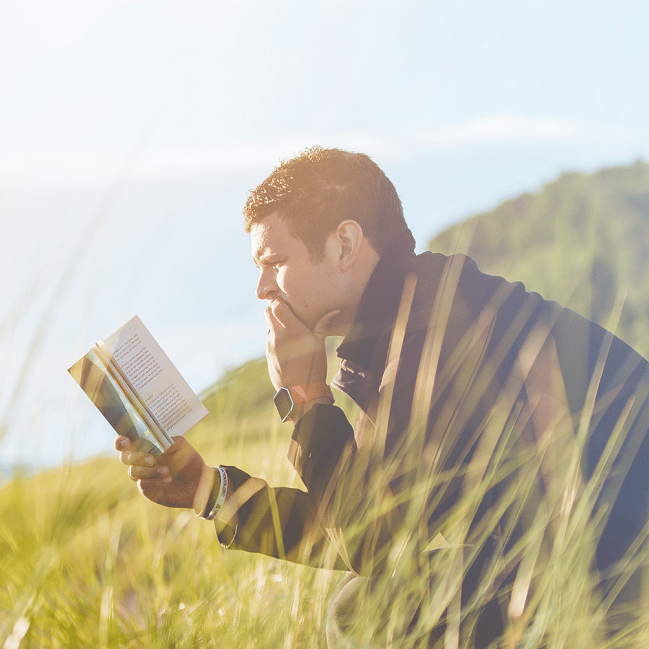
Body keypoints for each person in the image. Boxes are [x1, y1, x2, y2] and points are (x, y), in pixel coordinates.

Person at [117, 147, 649, 647]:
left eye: (273, 261)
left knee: (370, 607)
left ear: (345, 244)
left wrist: (307, 398)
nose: (261, 288)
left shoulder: (442, 323)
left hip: (622, 568)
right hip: (594, 562)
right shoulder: (409, 323)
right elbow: (362, 519)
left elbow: (370, 540)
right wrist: (208, 490)